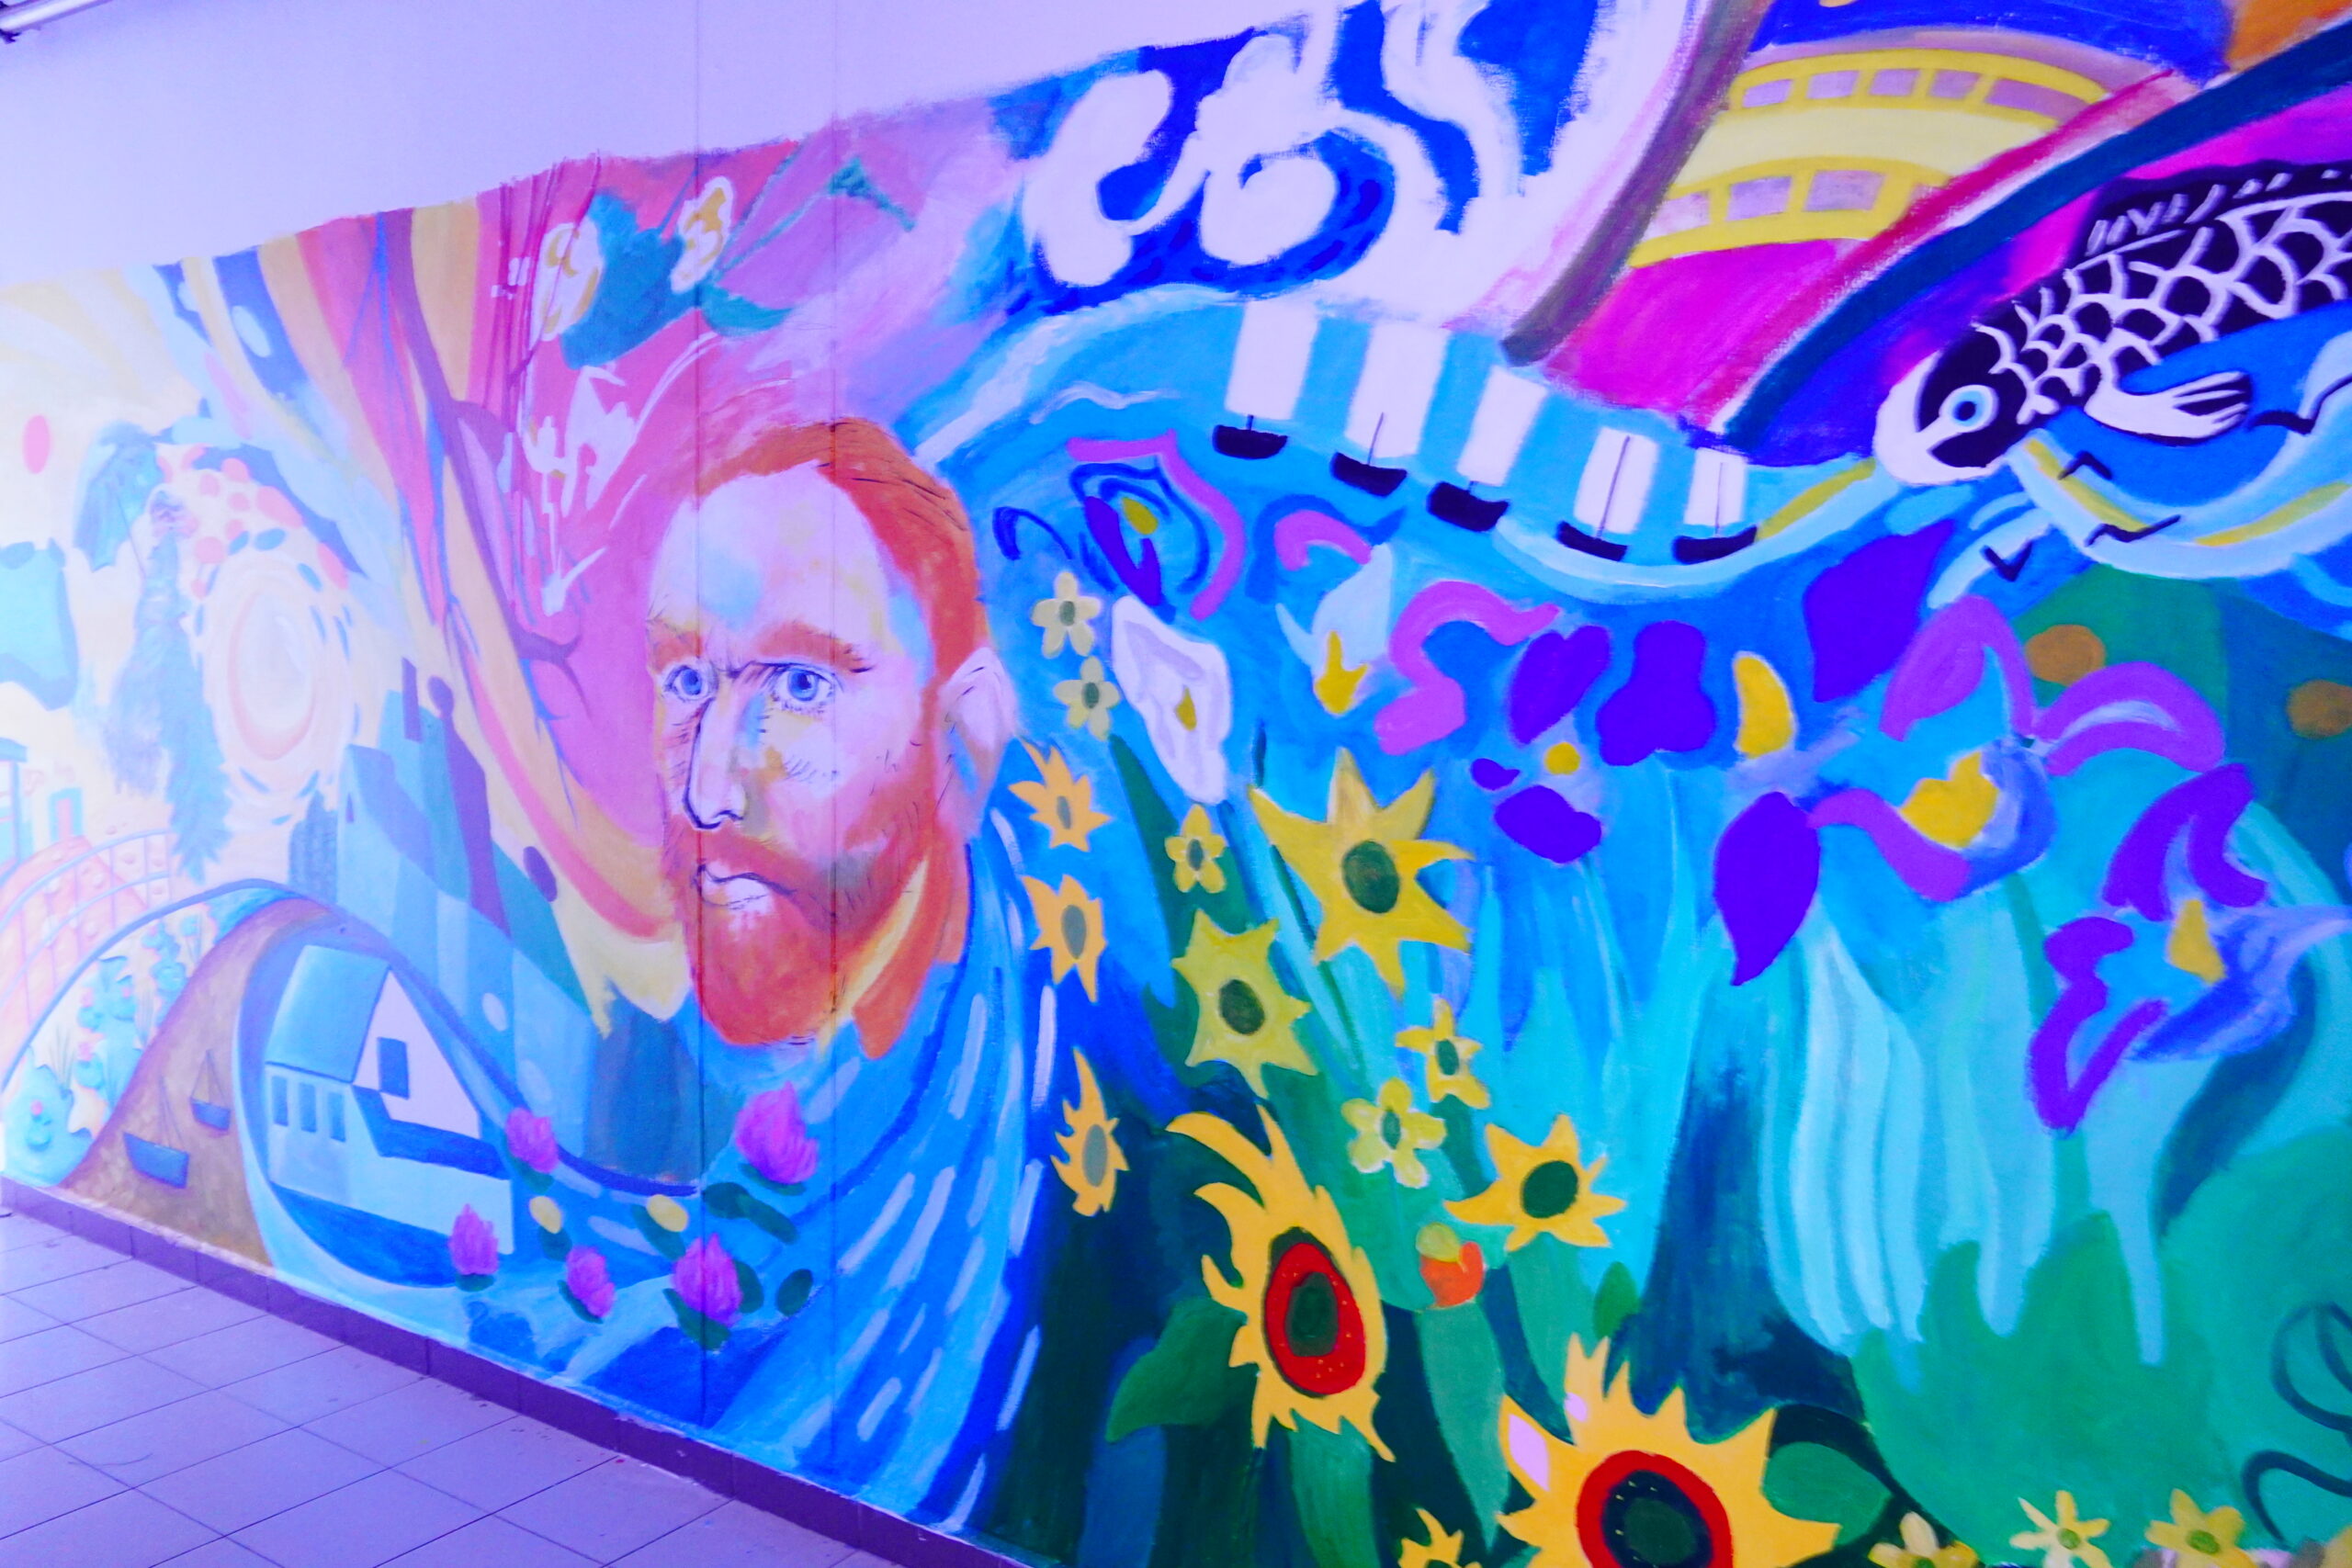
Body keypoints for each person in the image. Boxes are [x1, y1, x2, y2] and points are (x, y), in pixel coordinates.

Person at [645, 413, 1015, 1056]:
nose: (708, 798)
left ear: (961, 729)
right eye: (687, 681)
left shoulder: (1025, 1052)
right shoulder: (633, 1064)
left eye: (801, 687)